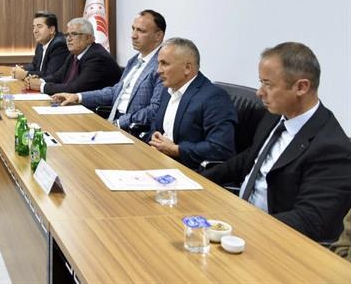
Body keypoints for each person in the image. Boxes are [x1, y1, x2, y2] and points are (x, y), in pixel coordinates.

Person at [203, 42, 351, 243]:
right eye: (261, 82)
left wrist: (244, 225)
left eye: (268, 84)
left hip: (272, 238)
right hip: (238, 219)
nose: (259, 92)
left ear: (301, 87)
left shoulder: (333, 148)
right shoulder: (275, 115)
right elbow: (250, 157)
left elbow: (310, 220)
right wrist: (198, 181)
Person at [52, 9, 166, 129]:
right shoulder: (134, 61)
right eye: (133, 29)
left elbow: (154, 109)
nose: (133, 35)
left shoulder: (162, 65)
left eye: (141, 31)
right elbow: (115, 92)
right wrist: (78, 97)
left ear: (158, 36)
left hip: (133, 128)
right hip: (113, 119)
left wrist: (119, 123)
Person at [145, 38, 236, 169]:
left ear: (187, 68)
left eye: (164, 64)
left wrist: (176, 150)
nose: (158, 70)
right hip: (160, 161)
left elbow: (220, 148)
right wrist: (154, 136)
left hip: (189, 169)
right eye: (158, 63)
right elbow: (156, 125)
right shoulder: (167, 90)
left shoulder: (214, 97)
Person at [27, 18, 121, 95]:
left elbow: (76, 88)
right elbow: (58, 76)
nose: (68, 39)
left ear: (88, 38)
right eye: (67, 35)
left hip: (95, 109)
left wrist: (42, 86)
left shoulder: (97, 57)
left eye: (74, 34)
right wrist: (40, 81)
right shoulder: (74, 54)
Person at [11, 11, 68, 80]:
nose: (35, 31)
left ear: (52, 30)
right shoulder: (41, 44)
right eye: (34, 27)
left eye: (39, 26)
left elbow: (50, 74)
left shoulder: (59, 45)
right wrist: (22, 69)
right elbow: (34, 65)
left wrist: (25, 74)